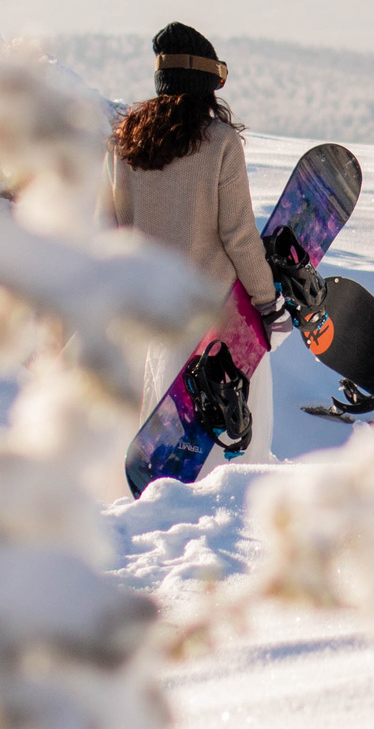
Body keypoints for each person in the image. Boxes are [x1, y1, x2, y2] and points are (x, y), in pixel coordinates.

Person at [103, 23, 281, 455]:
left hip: (148, 317)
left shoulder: (125, 143)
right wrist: (265, 300)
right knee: (218, 453)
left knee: (150, 451)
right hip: (214, 325)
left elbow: (110, 232)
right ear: (206, 85)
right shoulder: (220, 143)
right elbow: (238, 236)